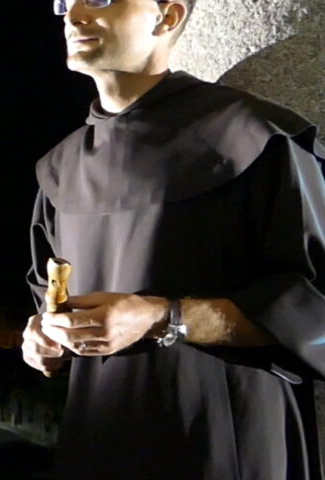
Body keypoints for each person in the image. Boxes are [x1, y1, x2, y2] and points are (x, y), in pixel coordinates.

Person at [20, 0, 325, 478]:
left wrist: (163, 317)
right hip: (98, 439)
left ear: (169, 16)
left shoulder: (257, 136)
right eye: (63, 1)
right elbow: (49, 301)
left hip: (225, 439)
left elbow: (314, 309)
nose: (72, 15)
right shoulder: (59, 169)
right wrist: (42, 337)